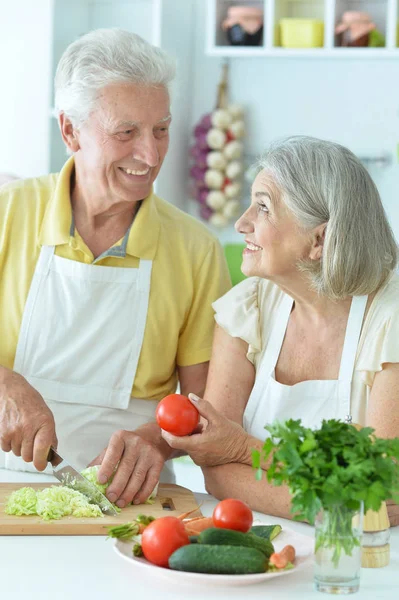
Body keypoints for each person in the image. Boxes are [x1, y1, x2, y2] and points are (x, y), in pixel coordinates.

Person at [0, 29, 231, 508]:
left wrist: (156, 439)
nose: (150, 156)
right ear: (70, 131)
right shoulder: (8, 213)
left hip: (131, 498)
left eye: (161, 130)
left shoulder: (195, 249)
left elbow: (207, 406)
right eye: (126, 133)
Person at [161, 136, 399, 526]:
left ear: (318, 240)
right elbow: (215, 467)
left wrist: (241, 449)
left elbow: (382, 482)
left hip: (361, 560)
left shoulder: (391, 318)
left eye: (263, 208)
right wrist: (329, 505)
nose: (242, 223)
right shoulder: (247, 308)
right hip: (253, 539)